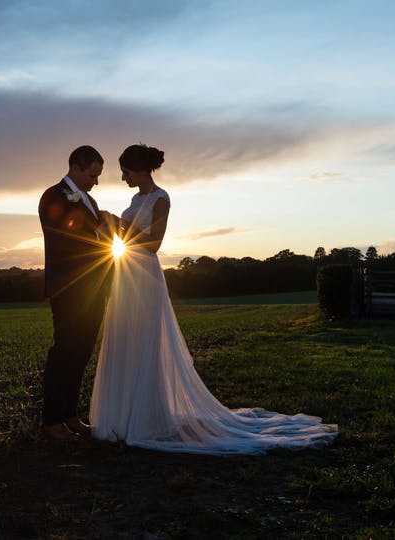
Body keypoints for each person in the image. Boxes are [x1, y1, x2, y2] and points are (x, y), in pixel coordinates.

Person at [90, 144, 338, 455]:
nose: (123, 176)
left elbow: (153, 244)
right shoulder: (135, 200)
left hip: (145, 276)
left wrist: (120, 223)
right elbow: (124, 239)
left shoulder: (160, 199)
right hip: (124, 273)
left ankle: (147, 419)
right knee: (125, 338)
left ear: (140, 169)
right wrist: (106, 228)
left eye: (126, 170)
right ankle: (123, 417)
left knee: (144, 343)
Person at [38, 145, 114, 441]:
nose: (95, 182)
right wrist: (101, 231)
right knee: (64, 351)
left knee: (82, 352)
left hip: (94, 287)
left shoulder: (90, 200)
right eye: (93, 175)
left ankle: (70, 414)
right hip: (68, 287)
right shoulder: (53, 196)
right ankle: (52, 420)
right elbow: (66, 237)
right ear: (76, 167)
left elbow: (101, 237)